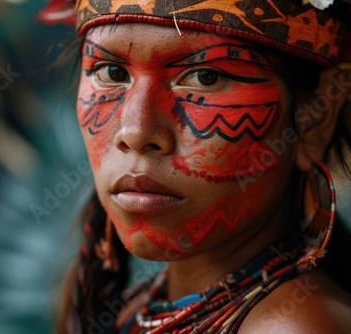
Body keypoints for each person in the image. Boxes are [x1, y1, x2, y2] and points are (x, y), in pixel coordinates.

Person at [39, 0, 351, 333]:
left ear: (317, 115)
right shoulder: (138, 308)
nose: (136, 131)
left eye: (205, 76)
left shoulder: (293, 325)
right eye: (112, 72)